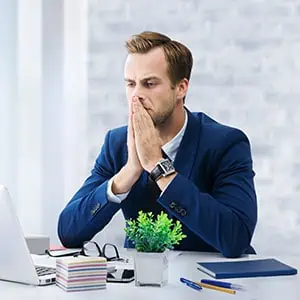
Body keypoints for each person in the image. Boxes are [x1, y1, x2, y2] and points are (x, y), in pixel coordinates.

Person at [58, 31, 257, 258]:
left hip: (209, 286)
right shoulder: (116, 144)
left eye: (149, 84)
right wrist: (128, 173)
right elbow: (68, 232)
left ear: (181, 88)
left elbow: (236, 238)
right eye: (131, 84)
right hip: (144, 284)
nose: (136, 96)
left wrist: (157, 165)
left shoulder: (226, 144)